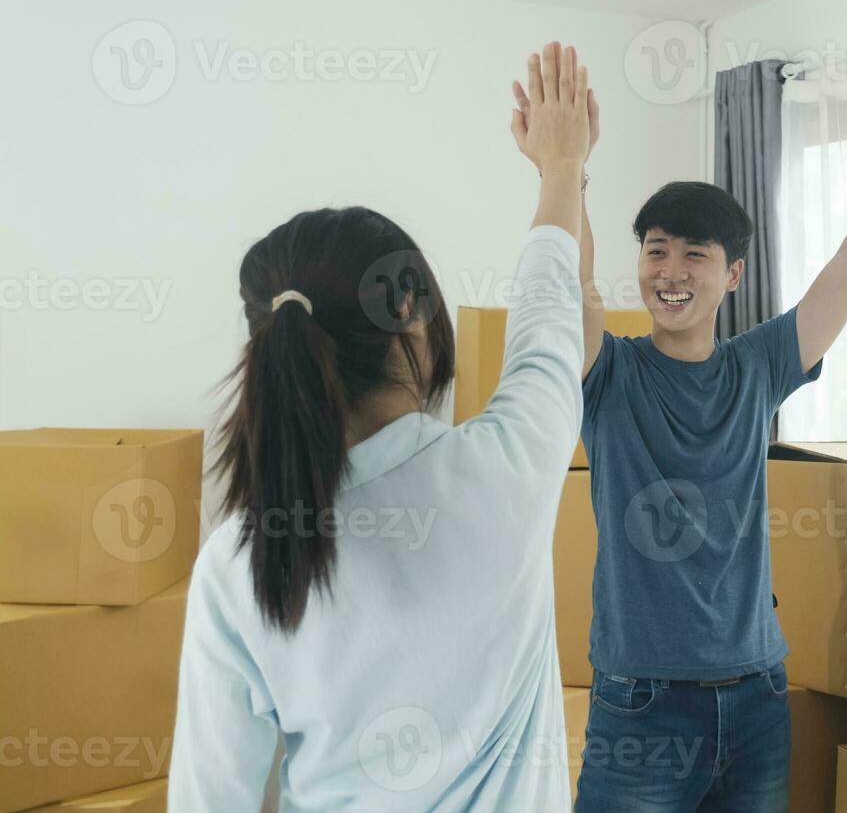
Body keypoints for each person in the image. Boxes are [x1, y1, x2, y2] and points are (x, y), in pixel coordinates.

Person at [509, 72, 847, 811]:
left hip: (757, 697)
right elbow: (572, 285)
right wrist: (568, 168)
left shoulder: (761, 366)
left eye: (694, 256)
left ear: (732, 273)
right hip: (641, 705)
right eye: (655, 252)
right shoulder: (607, 374)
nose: (670, 273)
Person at [170, 43, 595, 810]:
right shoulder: (508, 472)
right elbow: (550, 314)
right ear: (407, 308)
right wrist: (561, 167)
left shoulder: (238, 564)